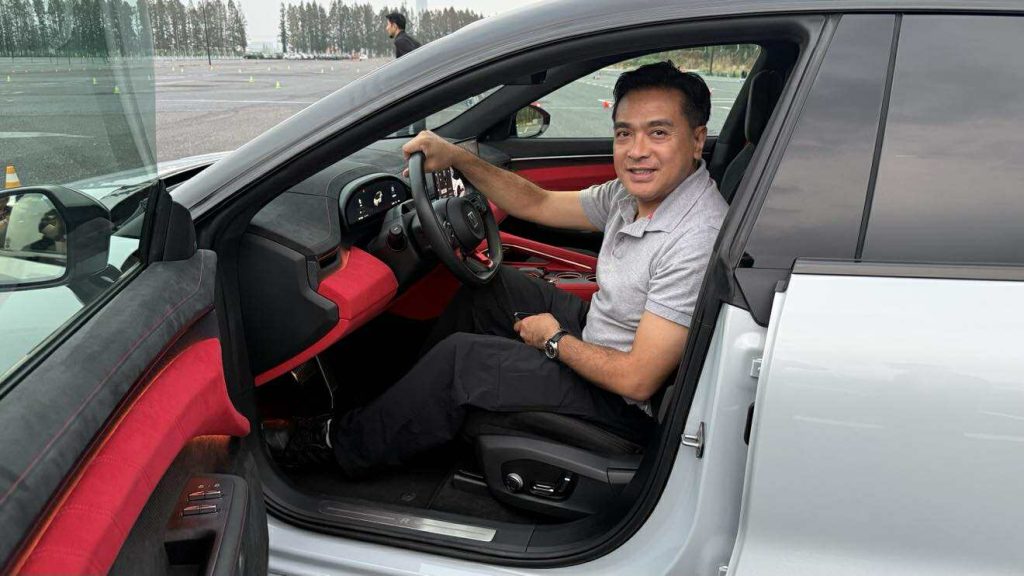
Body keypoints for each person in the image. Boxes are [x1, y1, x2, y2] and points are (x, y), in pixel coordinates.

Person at [267, 62, 728, 476]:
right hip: (607, 334)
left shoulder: (694, 236)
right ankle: (396, 410)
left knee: (462, 362)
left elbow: (637, 379)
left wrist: (554, 340)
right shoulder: (631, 196)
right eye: (625, 133)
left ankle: (336, 443)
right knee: (492, 289)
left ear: (696, 141)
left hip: (623, 401)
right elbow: (538, 202)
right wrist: (458, 158)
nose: (636, 150)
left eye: (658, 133)